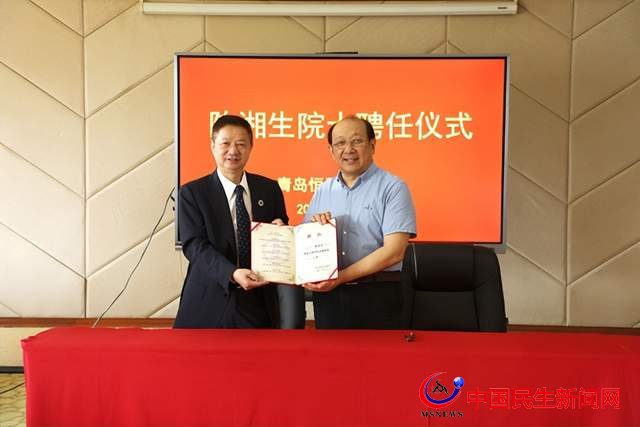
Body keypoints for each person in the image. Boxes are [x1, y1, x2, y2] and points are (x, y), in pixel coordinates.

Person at [174, 115, 288, 328]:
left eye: (241, 144)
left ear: (251, 147)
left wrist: (282, 233)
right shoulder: (192, 193)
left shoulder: (269, 189)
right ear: (213, 145)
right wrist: (232, 273)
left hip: (258, 301)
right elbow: (194, 246)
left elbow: (282, 231)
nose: (233, 151)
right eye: (225, 143)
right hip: (209, 298)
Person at [302, 116, 417, 329]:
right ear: (331, 150)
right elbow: (304, 246)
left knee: (379, 352)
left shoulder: (393, 188)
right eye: (340, 143)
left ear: (372, 145)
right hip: (330, 298)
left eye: (357, 141)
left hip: (378, 295)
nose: (348, 149)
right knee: (330, 351)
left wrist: (340, 277)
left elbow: (394, 252)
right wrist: (313, 228)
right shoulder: (323, 190)